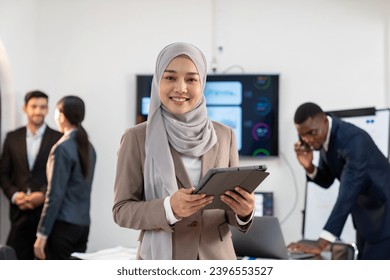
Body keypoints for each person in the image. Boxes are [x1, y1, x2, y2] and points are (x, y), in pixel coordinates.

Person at [112, 42, 255, 260]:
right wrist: (169, 208)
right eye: (170, 77)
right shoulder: (136, 138)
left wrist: (244, 211)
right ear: (158, 81)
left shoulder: (225, 135)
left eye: (191, 79)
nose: (181, 88)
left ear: (202, 83)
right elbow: (121, 210)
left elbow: (229, 211)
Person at [291, 102, 390, 259]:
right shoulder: (324, 139)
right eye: (303, 135)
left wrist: (321, 243)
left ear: (324, 120)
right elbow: (327, 180)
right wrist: (309, 166)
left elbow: (348, 192)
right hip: (366, 220)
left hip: (384, 220)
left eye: (312, 133)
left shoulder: (354, 140)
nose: (307, 139)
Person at [0, 90, 62, 260]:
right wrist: (15, 195)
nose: (38, 111)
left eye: (43, 107)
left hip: (48, 216)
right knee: (13, 266)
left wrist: (42, 195)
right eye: (34, 106)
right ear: (25, 108)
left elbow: (60, 176)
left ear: (48, 109)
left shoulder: (58, 138)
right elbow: (3, 173)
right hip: (18, 215)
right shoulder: (12, 138)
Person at [33, 95, 96, 260]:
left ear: (62, 115)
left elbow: (54, 195)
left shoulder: (61, 148)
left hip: (63, 226)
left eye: (55, 112)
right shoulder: (89, 147)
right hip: (83, 226)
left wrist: (42, 234)